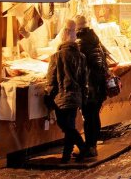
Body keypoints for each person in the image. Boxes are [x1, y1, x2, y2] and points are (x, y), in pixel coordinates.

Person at [45, 20, 91, 163]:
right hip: (75, 96)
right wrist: (83, 96)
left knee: (65, 126)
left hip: (61, 96)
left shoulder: (56, 56)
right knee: (69, 125)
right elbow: (84, 80)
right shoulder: (81, 57)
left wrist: (48, 95)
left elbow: (51, 79)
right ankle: (67, 155)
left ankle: (82, 148)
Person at [75, 15, 109, 157]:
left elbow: (80, 67)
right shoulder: (95, 41)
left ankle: (90, 147)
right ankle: (92, 146)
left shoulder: (82, 43)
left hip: (90, 88)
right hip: (98, 86)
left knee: (89, 118)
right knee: (93, 117)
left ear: (77, 28)